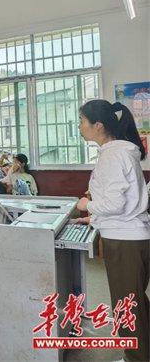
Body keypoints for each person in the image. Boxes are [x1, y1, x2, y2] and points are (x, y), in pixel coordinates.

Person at [75, 99, 149, 361]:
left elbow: (115, 204)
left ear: (98, 125)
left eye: (82, 120)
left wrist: (88, 205)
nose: (80, 126)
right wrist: (95, 215)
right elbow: (123, 200)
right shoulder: (121, 152)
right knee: (135, 303)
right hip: (129, 235)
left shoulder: (113, 155)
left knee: (127, 307)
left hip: (123, 240)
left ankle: (136, 358)